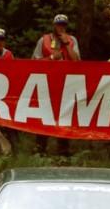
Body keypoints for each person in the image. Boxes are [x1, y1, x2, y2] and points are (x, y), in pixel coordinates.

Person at [33, 15, 79, 154]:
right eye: (59, 24)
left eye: (63, 25)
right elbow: (34, 63)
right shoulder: (44, 40)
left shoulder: (72, 40)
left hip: (66, 83)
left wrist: (66, 44)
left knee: (64, 114)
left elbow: (77, 62)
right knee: (44, 114)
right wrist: (52, 58)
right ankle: (41, 147)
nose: (61, 27)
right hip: (46, 83)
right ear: (54, 25)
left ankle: (63, 148)